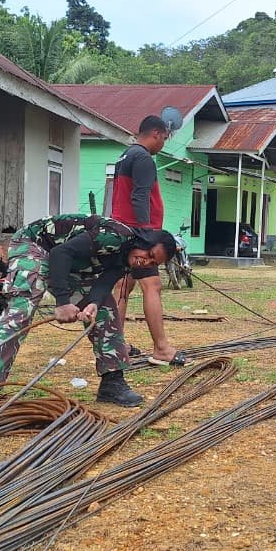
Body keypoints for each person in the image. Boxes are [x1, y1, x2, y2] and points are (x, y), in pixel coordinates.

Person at [0, 214, 178, 411]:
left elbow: (105, 282)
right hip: (36, 244)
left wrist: (93, 303)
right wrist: (63, 302)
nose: (145, 261)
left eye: (152, 263)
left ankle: (112, 381)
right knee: (22, 306)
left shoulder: (130, 258)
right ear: (143, 243)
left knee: (105, 309)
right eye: (149, 254)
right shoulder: (117, 236)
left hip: (69, 262)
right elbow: (60, 253)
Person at [110, 115, 179, 366]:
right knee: (152, 286)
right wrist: (147, 236)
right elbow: (140, 196)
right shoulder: (143, 158)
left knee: (122, 288)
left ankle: (117, 346)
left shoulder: (125, 156)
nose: (163, 144)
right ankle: (162, 349)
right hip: (139, 234)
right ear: (156, 134)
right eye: (164, 138)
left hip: (123, 230)